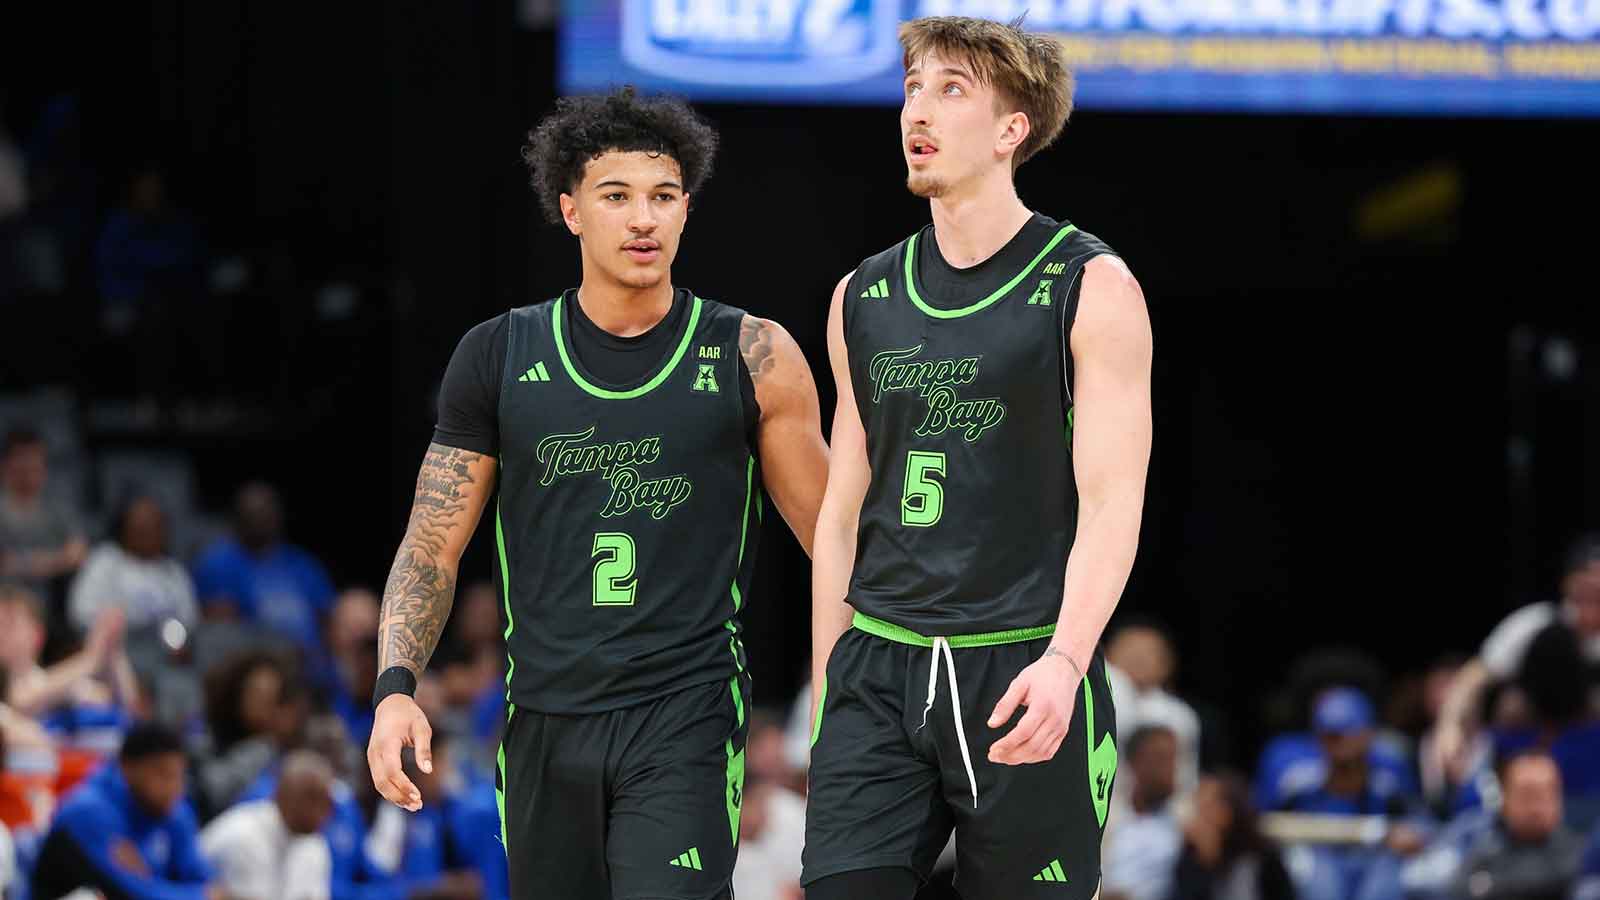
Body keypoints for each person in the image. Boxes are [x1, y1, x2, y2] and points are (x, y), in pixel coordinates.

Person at [365, 86, 829, 900]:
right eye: (617, 197)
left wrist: (864, 688)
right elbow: (431, 544)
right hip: (545, 718)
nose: (642, 219)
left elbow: (837, 540)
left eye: (662, 197)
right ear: (571, 209)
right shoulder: (498, 354)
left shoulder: (752, 353)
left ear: (687, 210)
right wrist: (395, 688)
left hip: (684, 712)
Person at [803, 16, 1152, 900]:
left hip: (1023, 658)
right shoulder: (863, 294)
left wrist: (1069, 660)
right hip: (880, 665)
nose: (918, 108)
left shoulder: (1089, 284)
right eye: (913, 87)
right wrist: (826, 684)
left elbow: (1113, 502)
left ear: (1011, 130)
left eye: (951, 88)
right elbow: (842, 508)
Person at [1435, 534, 1600, 776]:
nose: (1591, 597)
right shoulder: (1534, 624)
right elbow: (1472, 680)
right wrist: (1448, 728)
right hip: (1526, 743)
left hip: (1588, 746)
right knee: (1510, 702)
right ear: (1567, 584)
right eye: (1585, 586)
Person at [31, 721, 220, 900]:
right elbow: (128, 894)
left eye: (179, 776)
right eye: (162, 774)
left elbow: (204, 881)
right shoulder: (87, 813)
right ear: (127, 768)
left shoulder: (174, 809)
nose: (174, 787)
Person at [191, 482, 335, 650]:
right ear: (237, 518)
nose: (261, 520)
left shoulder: (301, 564)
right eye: (253, 514)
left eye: (267, 513)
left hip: (310, 660)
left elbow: (326, 618)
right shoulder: (217, 565)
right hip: (255, 660)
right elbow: (222, 631)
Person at [201, 749, 337, 900]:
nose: (319, 810)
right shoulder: (244, 833)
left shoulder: (316, 846)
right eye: (310, 798)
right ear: (281, 794)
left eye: (324, 801)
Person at [1453, 751, 1584, 900]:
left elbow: (1557, 879)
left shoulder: (1574, 849)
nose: (1536, 807)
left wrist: (1492, 886)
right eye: (1527, 795)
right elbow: (1458, 888)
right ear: (1505, 798)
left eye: (1544, 795)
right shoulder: (1486, 843)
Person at [69, 491, 198, 632]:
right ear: (124, 527)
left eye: (154, 527)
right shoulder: (104, 562)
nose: (147, 533)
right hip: (116, 645)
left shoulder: (173, 572)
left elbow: (189, 620)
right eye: (141, 527)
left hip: (161, 648)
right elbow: (80, 614)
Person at [1173, 773, 1295, 900]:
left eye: (1206, 807)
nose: (1197, 817)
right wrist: (1205, 863)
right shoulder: (1190, 862)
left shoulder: (1264, 860)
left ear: (1229, 812)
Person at [0, 427, 87, 596]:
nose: (29, 465)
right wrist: (57, 560)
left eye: (35, 460)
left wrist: (23, 563)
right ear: (6, 464)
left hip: (52, 602)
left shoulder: (59, 507)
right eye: (22, 459)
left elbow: (78, 554)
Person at [1101, 726, 1182, 900]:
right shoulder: (1107, 817)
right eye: (1161, 759)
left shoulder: (1186, 822)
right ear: (1134, 762)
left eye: (1173, 759)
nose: (1170, 769)